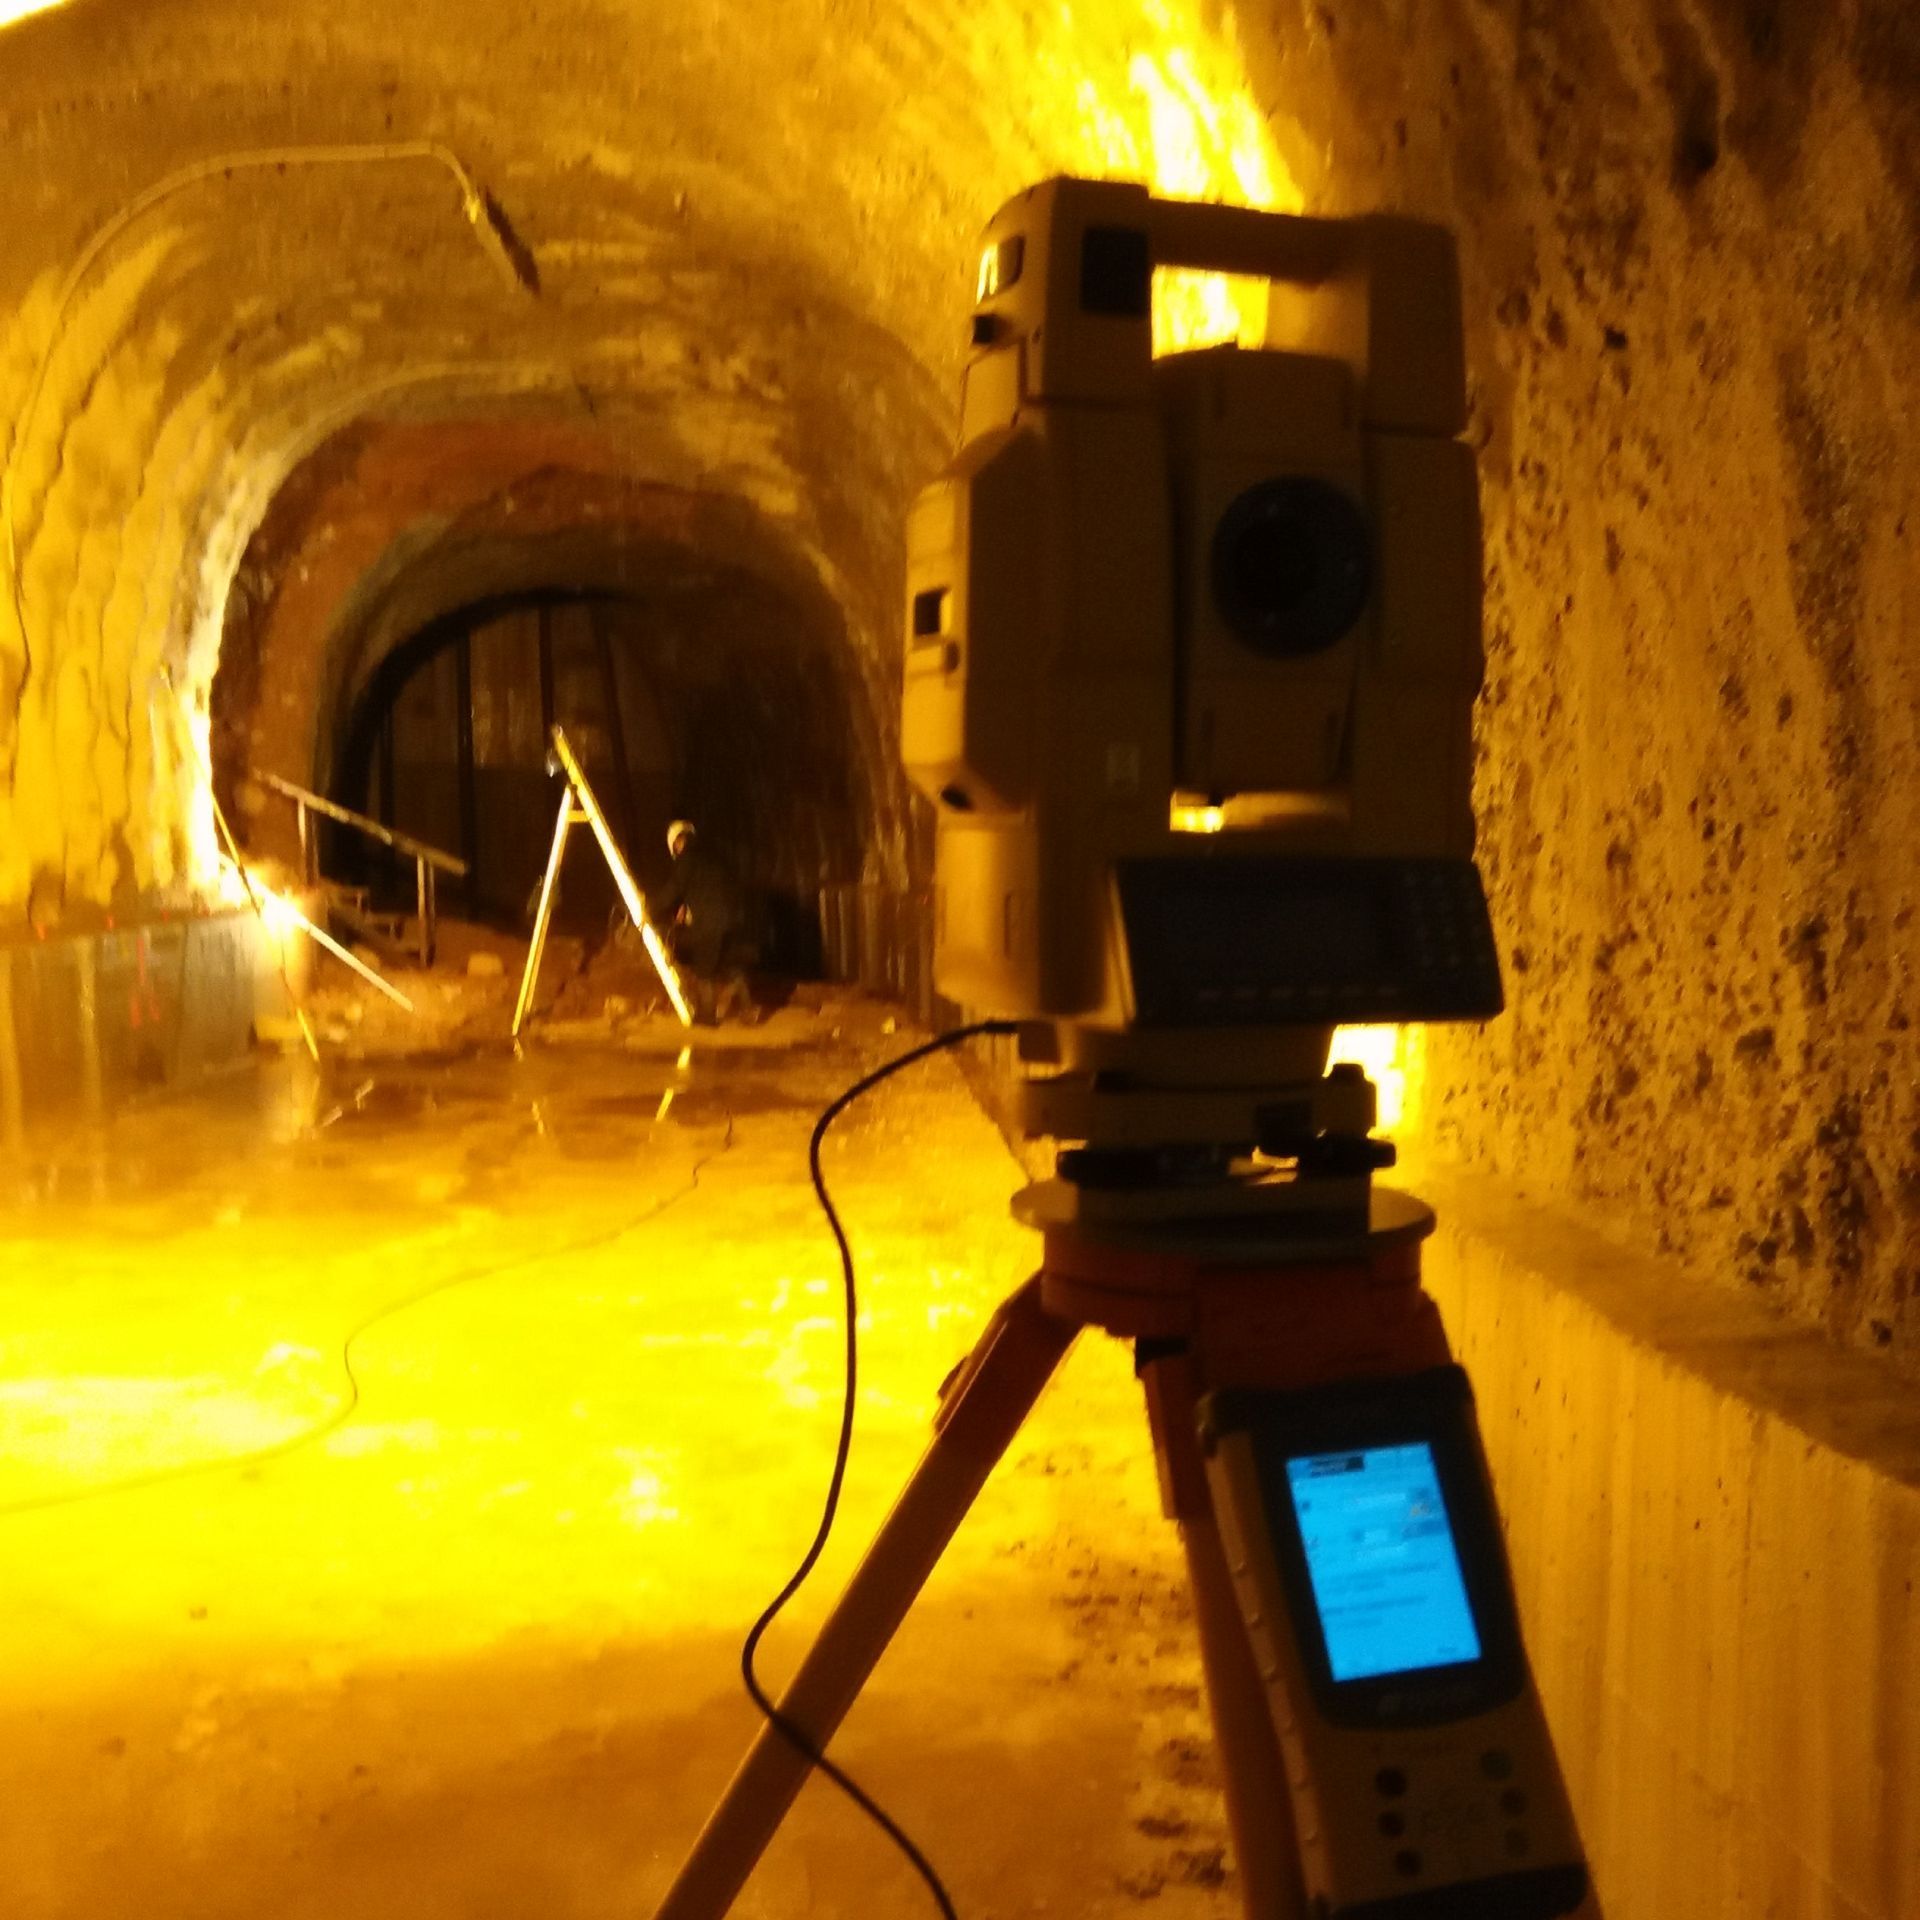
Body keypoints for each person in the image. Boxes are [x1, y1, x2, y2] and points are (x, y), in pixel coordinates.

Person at [654, 819, 753, 1022]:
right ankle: (748, 1010)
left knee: (704, 969)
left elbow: (674, 888)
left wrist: (649, 909)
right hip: (734, 919)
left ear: (676, 842)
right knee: (727, 963)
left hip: (710, 922)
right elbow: (707, 887)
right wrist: (687, 906)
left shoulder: (687, 858)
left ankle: (706, 1017)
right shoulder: (712, 855)